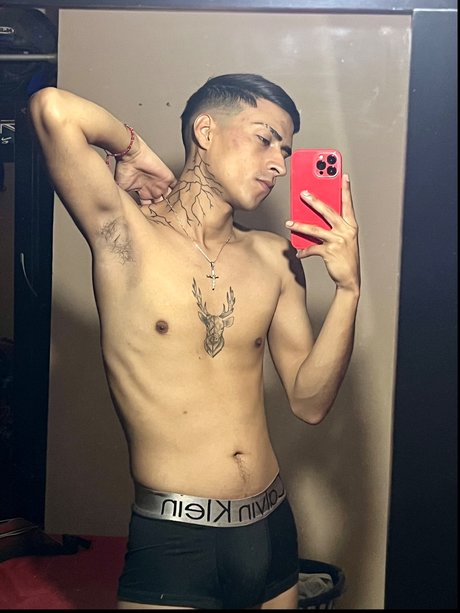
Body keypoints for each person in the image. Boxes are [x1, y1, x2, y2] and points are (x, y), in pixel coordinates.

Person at [28, 73, 360, 610]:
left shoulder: (275, 257)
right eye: (265, 138)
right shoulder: (126, 234)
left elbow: (310, 402)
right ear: (205, 131)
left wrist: (348, 290)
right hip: (176, 537)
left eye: (285, 150)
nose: (278, 164)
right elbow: (52, 109)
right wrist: (135, 151)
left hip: (272, 525)